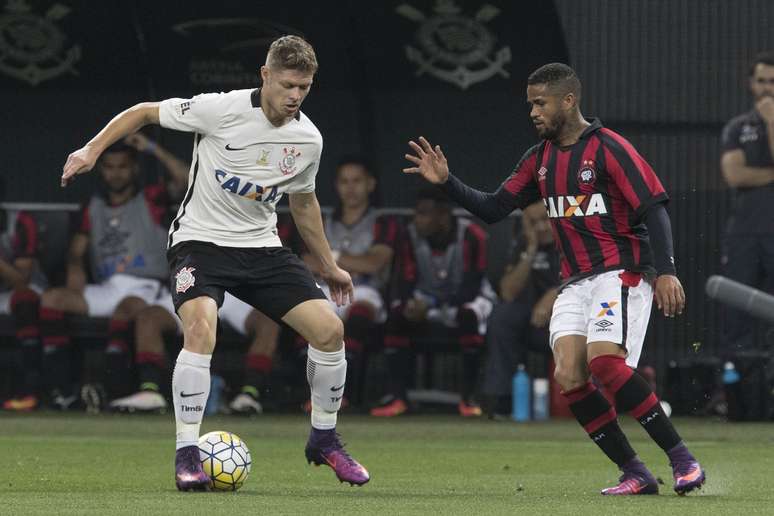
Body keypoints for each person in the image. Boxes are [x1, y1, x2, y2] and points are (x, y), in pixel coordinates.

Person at [60, 35, 369, 490]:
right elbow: (145, 111)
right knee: (202, 327)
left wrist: (329, 264)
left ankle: (323, 440)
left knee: (330, 330)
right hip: (199, 243)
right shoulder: (220, 109)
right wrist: (91, 150)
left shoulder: (307, 139)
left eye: (304, 87)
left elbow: (303, 204)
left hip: (262, 248)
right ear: (265, 76)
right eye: (287, 85)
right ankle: (188, 454)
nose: (294, 96)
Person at [403, 63, 705, 495]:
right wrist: (447, 182)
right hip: (574, 283)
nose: (533, 112)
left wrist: (668, 272)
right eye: (530, 104)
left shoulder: (608, 148)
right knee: (569, 376)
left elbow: (653, 208)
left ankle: (683, 460)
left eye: (540, 103)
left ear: (568, 100)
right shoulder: (539, 160)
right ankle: (635, 472)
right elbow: (493, 208)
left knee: (605, 364)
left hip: (619, 273)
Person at [41, 139, 188, 410]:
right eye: (109, 167)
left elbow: (185, 177)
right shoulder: (93, 206)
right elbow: (77, 251)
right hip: (108, 286)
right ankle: (61, 390)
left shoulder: (152, 198)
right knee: (52, 299)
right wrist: (75, 269)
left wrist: (150, 147)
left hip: (146, 287)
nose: (116, 173)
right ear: (101, 170)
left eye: (123, 167)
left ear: (133, 169)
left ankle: (112, 389)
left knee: (127, 307)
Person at [370, 187, 493, 417]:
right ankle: (398, 398)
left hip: (469, 298)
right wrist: (412, 304)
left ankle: (468, 399)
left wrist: (434, 304)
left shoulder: (472, 234)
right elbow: (404, 280)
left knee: (469, 316)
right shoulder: (409, 234)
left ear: (443, 214)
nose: (418, 220)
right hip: (426, 298)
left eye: (424, 213)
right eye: (417, 213)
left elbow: (471, 285)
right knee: (396, 315)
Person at [300, 156, 399, 407]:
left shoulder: (382, 221)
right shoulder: (321, 219)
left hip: (366, 290)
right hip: (325, 289)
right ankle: (314, 394)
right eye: (344, 181)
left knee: (359, 312)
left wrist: (330, 259)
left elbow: (375, 263)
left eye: (357, 181)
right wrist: (348, 262)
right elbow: (304, 259)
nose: (351, 188)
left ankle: (345, 394)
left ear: (370, 184)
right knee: (309, 317)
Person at [483, 201, 560, 418]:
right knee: (502, 315)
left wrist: (555, 294)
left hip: (567, 322)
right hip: (532, 324)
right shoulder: (522, 244)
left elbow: (590, 279)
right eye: (533, 222)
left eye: (545, 219)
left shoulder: (573, 241)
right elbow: (507, 292)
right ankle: (502, 400)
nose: (541, 227)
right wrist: (531, 249)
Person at [719, 50, 774, 351]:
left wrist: (773, 121)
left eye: (773, 81)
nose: (767, 87)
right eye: (761, 80)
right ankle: (740, 392)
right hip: (745, 232)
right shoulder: (738, 127)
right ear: (751, 84)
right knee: (737, 316)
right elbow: (734, 174)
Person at [0, 180, 49, 410]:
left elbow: (21, 279)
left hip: (24, 289)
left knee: (24, 299)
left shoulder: (19, 220)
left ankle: (29, 390)